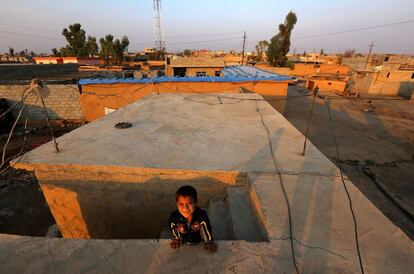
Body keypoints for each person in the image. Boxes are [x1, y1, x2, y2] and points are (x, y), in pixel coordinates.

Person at [169, 185, 217, 253]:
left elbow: (207, 229)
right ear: (177, 203)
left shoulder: (201, 216)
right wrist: (177, 238)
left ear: (196, 202)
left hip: (199, 240)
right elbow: (173, 227)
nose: (185, 208)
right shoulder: (174, 217)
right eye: (181, 204)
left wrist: (208, 242)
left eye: (190, 203)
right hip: (184, 240)